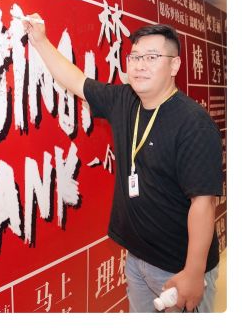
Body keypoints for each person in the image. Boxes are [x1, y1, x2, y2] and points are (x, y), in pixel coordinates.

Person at [20, 16, 221, 312]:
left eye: (152, 57)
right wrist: (40, 40)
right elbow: (75, 80)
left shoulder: (193, 123)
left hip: (177, 267)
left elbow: (203, 203)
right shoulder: (124, 100)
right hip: (137, 258)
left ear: (174, 65)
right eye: (135, 57)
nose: (140, 65)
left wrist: (193, 271)